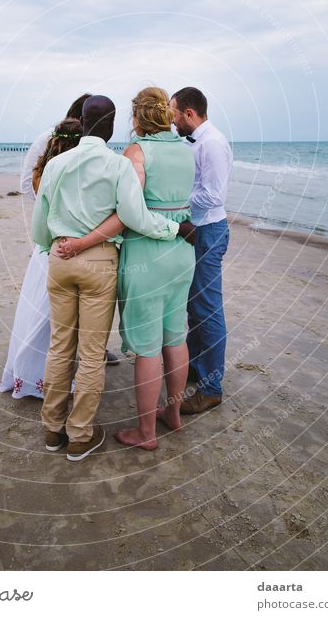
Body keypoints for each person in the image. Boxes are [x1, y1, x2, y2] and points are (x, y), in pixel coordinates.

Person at [32, 95, 195, 462]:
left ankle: (52, 430)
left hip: (60, 257)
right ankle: (80, 435)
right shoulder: (116, 165)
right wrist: (174, 229)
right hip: (99, 262)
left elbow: (38, 223)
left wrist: (57, 246)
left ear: (85, 123)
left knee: (60, 346)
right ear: (109, 127)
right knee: (91, 352)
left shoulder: (57, 164)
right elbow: (134, 216)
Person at [0, 117, 83, 399]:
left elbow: (40, 219)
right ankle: (50, 377)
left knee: (36, 313)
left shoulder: (42, 172)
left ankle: (30, 373)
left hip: (43, 247)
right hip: (64, 247)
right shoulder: (75, 171)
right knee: (59, 319)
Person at [170, 87, 233, 413]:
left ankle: (211, 388)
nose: (173, 121)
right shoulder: (199, 141)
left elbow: (214, 195)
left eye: (175, 115)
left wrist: (173, 204)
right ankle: (196, 366)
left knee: (208, 310)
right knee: (195, 305)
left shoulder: (211, 143)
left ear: (189, 113)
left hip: (208, 231)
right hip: (199, 230)